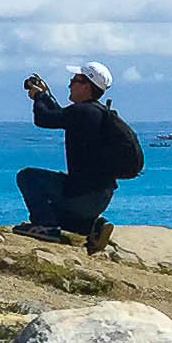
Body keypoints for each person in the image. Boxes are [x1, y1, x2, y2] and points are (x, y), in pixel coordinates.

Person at [12, 61, 143, 250]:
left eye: (74, 80)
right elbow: (60, 114)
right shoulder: (97, 113)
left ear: (86, 86)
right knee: (57, 212)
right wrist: (44, 95)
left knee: (27, 176)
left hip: (81, 196)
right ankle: (92, 227)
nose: (69, 84)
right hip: (101, 196)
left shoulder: (83, 112)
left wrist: (39, 96)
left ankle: (44, 228)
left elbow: (44, 118)